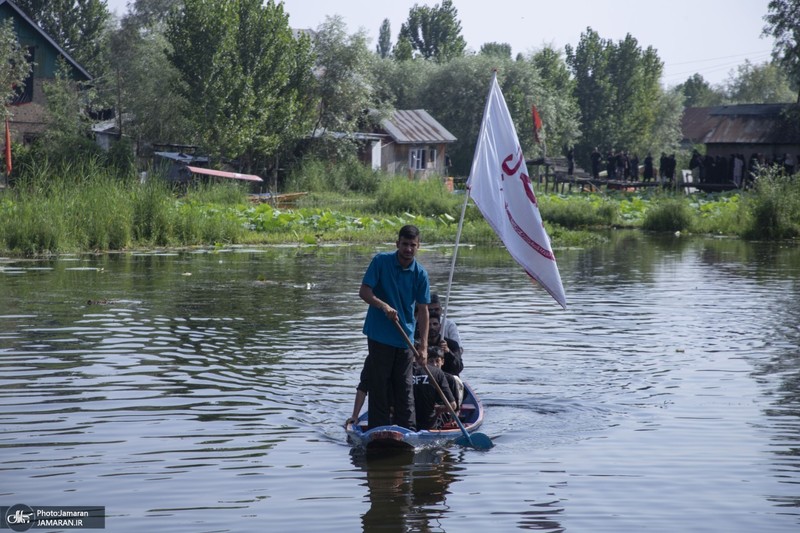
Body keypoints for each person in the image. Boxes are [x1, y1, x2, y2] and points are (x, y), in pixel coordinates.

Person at [358, 224, 430, 430]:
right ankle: (378, 431)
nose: (408, 249)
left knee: (404, 387)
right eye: (405, 244)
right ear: (397, 244)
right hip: (380, 335)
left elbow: (423, 311)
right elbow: (364, 292)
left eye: (412, 245)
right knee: (379, 385)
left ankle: (407, 432)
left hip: (404, 337)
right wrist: (383, 306)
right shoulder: (381, 262)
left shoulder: (420, 274)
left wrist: (423, 347)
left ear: (418, 247)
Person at [412, 346, 456, 431]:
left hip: (409, 423)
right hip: (429, 423)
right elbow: (452, 405)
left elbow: (454, 407)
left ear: (442, 361)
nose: (435, 364)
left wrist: (439, 408)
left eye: (437, 361)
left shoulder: (450, 379)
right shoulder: (438, 373)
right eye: (431, 361)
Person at [427, 311, 463, 377]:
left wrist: (448, 351)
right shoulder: (419, 344)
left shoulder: (452, 344)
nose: (432, 327)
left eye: (435, 324)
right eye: (429, 324)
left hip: (448, 378)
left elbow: (459, 368)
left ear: (440, 327)